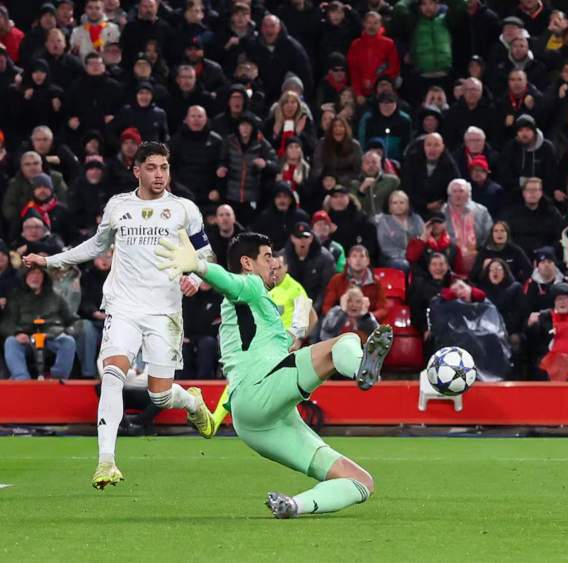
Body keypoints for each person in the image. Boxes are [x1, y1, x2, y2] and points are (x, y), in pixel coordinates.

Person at [154, 229, 393, 518]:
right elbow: (228, 282)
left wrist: (295, 332)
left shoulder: (255, 309)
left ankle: (293, 505)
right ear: (247, 263)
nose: (275, 264)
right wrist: (199, 266)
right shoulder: (249, 285)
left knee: (360, 481)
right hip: (261, 389)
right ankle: (360, 368)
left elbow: (277, 349)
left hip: (256, 422)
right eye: (268, 257)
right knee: (346, 341)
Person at [23, 141, 217, 489]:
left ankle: (190, 401)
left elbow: (206, 255)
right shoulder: (119, 206)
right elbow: (97, 246)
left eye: (164, 168)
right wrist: (51, 260)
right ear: (137, 170)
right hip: (123, 306)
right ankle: (106, 462)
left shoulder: (184, 210)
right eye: (152, 167)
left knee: (159, 395)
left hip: (165, 311)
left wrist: (194, 277)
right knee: (113, 375)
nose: (159, 175)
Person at [1, 266, 77, 380]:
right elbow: (7, 323)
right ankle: (22, 380)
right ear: (25, 277)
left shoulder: (56, 297)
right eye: (31, 274)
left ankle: (58, 379)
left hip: (51, 337)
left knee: (68, 341)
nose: (35, 277)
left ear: (44, 277)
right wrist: (17, 333)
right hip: (26, 339)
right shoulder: (15, 297)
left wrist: (65, 331)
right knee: (10, 342)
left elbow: (72, 320)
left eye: (39, 274)